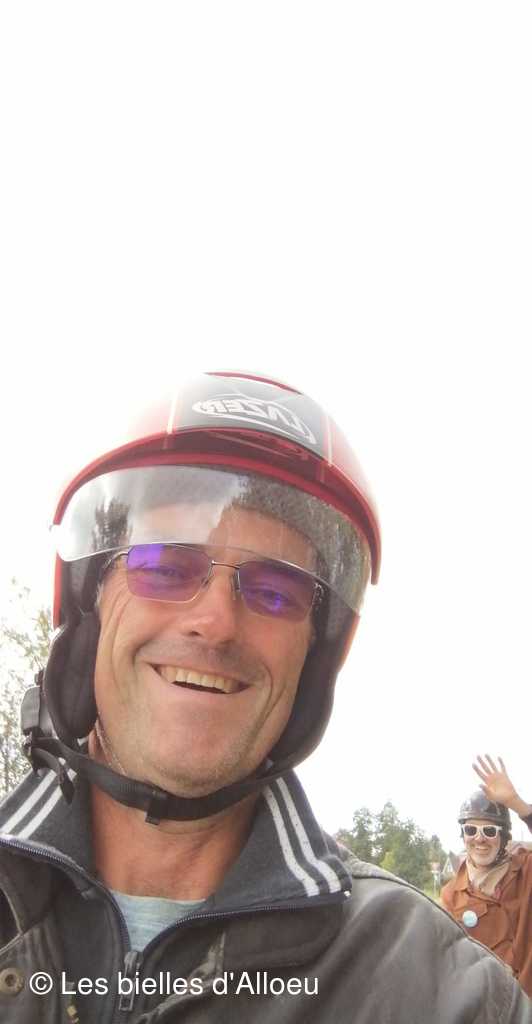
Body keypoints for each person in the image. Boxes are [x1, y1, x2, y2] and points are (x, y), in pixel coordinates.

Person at [0, 372, 530, 1022]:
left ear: (312, 659)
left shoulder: (436, 990)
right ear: (90, 606)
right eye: (164, 565)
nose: (216, 623)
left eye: (275, 591)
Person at [441, 755, 532, 996]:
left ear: (504, 837)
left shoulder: (527, 869)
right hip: (495, 1008)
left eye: (490, 831)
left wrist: (517, 804)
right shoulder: (450, 897)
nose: (479, 839)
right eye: (471, 829)